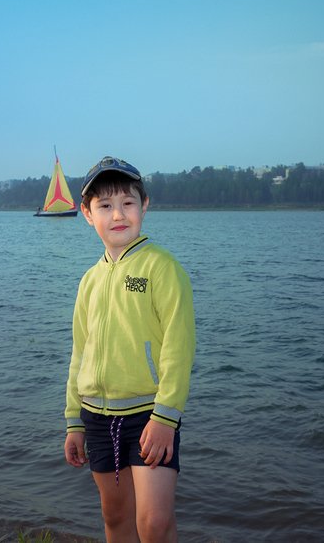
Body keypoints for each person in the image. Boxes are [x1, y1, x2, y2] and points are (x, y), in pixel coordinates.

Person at [63, 156, 196, 543]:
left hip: (149, 415)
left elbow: (179, 347)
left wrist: (166, 417)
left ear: (145, 205)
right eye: (105, 205)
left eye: (127, 202)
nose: (118, 214)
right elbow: (79, 353)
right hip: (96, 417)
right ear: (88, 214)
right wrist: (73, 421)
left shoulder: (162, 268)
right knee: (116, 515)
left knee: (154, 523)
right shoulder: (89, 280)